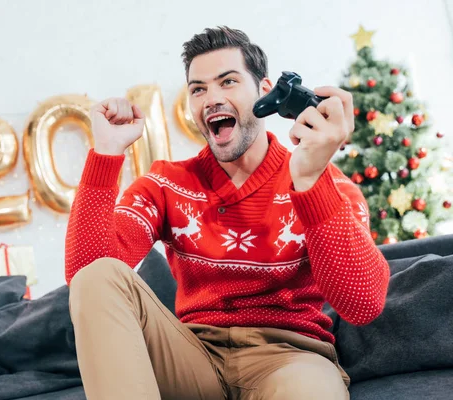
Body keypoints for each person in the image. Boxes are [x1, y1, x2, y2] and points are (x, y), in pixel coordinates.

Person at [64, 26, 390, 400]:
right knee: (99, 275)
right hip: (191, 357)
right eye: (198, 89)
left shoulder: (322, 180)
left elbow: (363, 304)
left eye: (228, 82)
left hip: (289, 359)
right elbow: (86, 276)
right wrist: (106, 154)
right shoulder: (166, 183)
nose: (211, 99)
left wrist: (311, 181)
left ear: (265, 91)